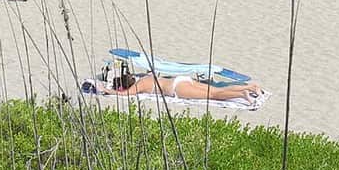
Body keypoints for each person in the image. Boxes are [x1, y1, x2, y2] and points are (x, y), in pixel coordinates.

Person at [100, 71, 264, 103]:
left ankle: (243, 94)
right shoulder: (145, 77)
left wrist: (108, 91)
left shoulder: (141, 85)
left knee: (213, 96)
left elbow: (125, 95)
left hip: (176, 89)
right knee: (214, 90)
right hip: (182, 80)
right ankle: (250, 87)